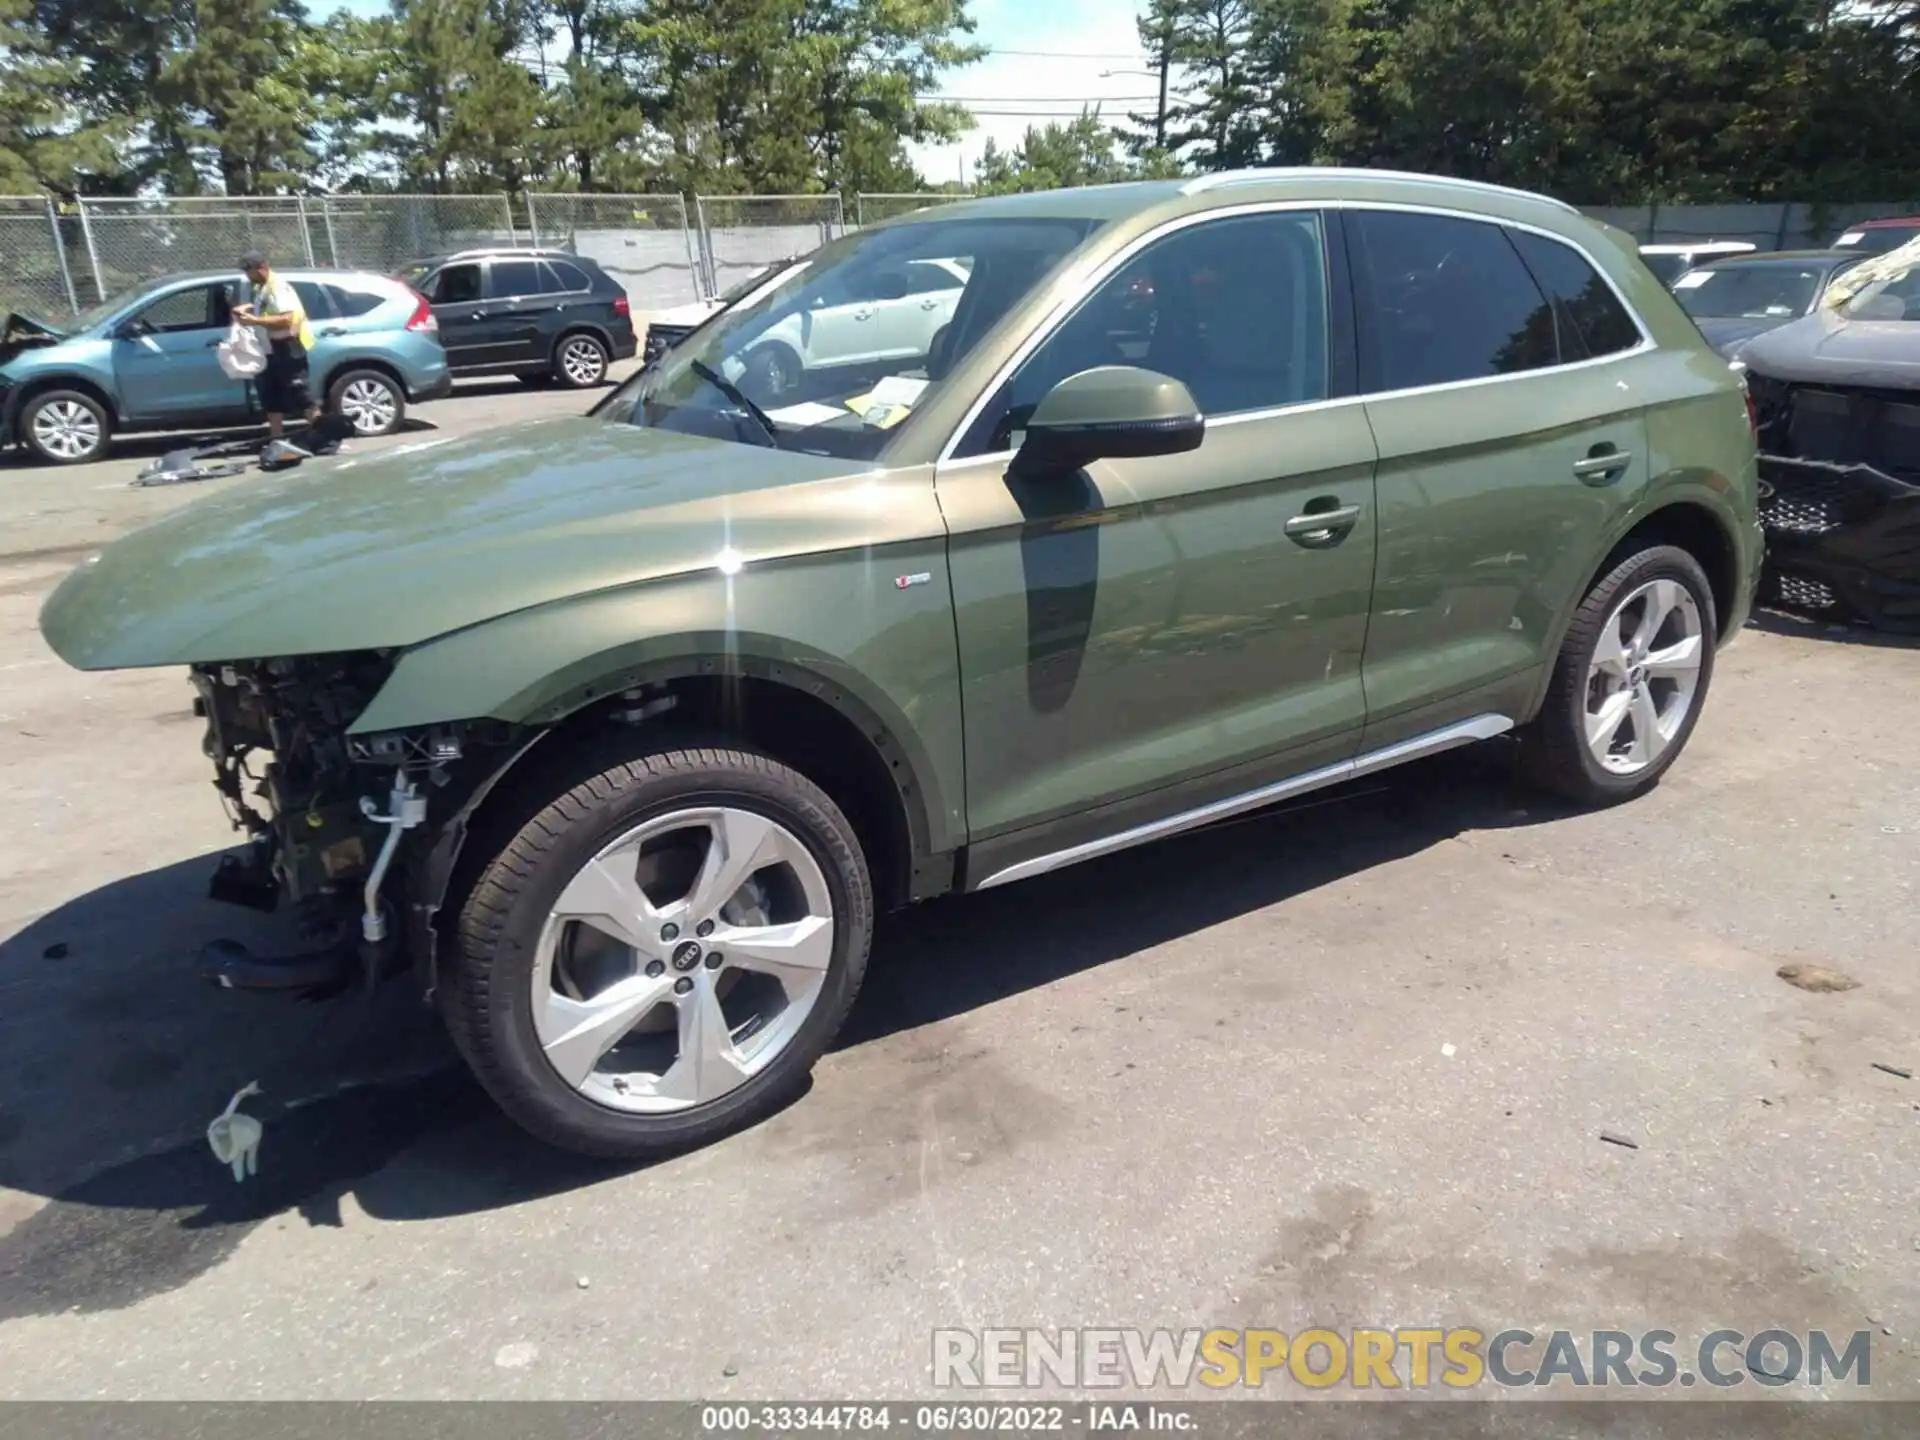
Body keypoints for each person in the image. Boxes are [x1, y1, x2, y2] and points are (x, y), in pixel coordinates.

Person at [231, 249, 322, 455]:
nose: (247, 276)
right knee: (271, 398)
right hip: (269, 352)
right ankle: (277, 441)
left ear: (261, 268)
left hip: (287, 348)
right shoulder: (261, 287)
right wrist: (244, 310)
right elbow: (264, 308)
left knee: (302, 396)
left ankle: (324, 438)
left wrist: (254, 321)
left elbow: (286, 318)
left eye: (249, 271)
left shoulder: (277, 287)